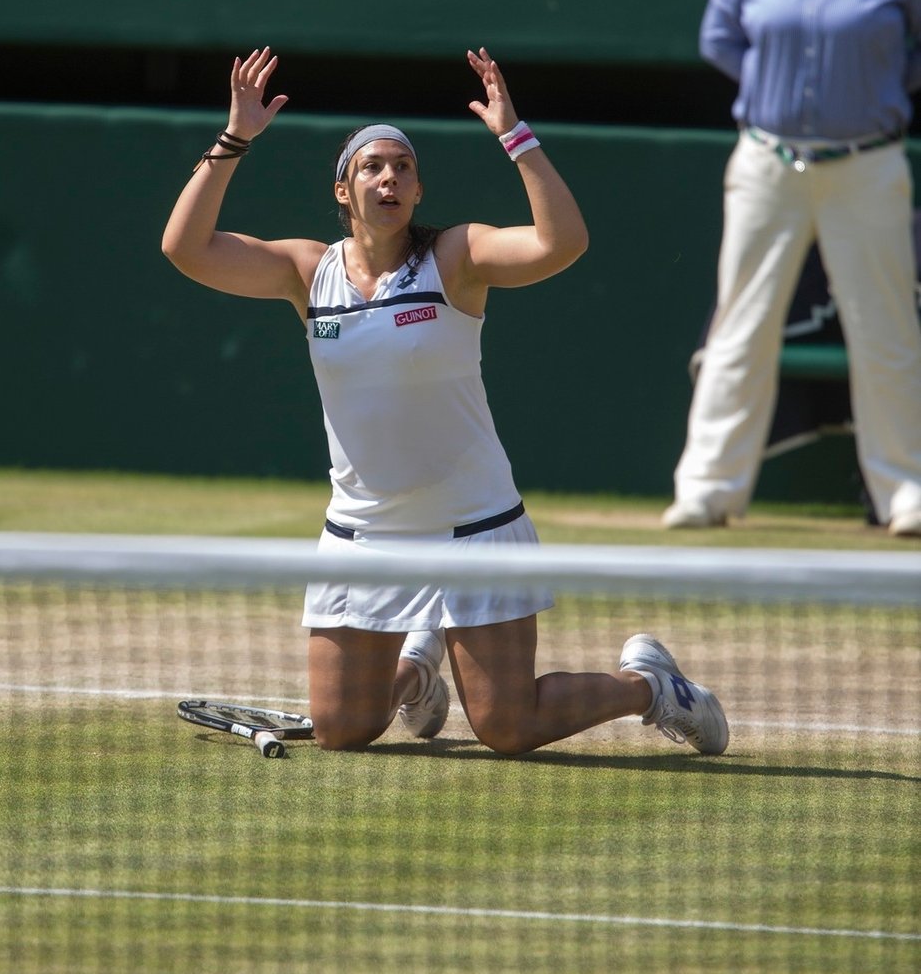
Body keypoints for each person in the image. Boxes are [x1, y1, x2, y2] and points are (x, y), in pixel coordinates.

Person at [162, 45, 728, 757]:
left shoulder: (456, 259)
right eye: (372, 165)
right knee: (342, 729)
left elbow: (565, 242)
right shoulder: (306, 272)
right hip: (363, 534)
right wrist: (235, 138)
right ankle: (416, 672)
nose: (389, 175)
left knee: (507, 728)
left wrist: (515, 137)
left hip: (474, 524)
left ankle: (650, 685)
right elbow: (185, 247)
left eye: (403, 167)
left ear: (418, 192)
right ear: (344, 191)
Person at [664, 0, 921, 537]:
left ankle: (905, 492)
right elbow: (720, 34)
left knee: (887, 329)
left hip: (868, 164)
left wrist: (873, 94)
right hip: (767, 162)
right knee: (740, 323)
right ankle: (708, 489)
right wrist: (763, 93)